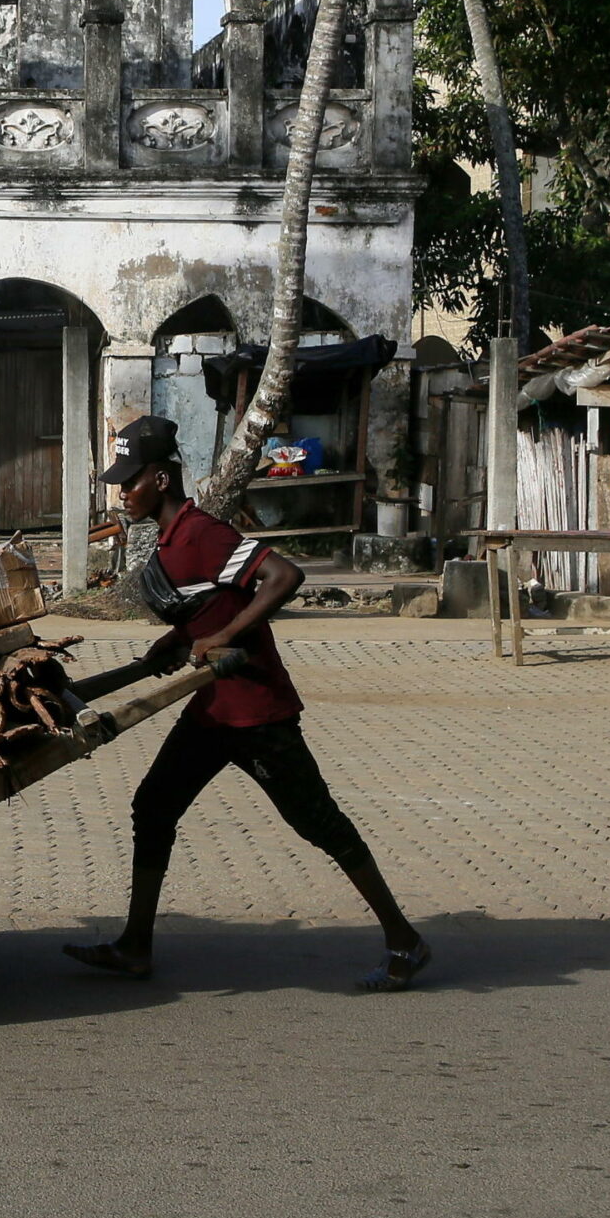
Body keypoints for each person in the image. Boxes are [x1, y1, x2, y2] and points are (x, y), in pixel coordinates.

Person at [62, 415, 431, 992]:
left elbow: (284, 575)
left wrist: (224, 635)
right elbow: (211, 603)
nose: (122, 493)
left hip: (257, 713)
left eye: (130, 481)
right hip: (212, 711)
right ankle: (135, 946)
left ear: (161, 479)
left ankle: (405, 940)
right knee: (153, 807)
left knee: (318, 822)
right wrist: (179, 639)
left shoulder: (202, 533)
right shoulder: (171, 540)